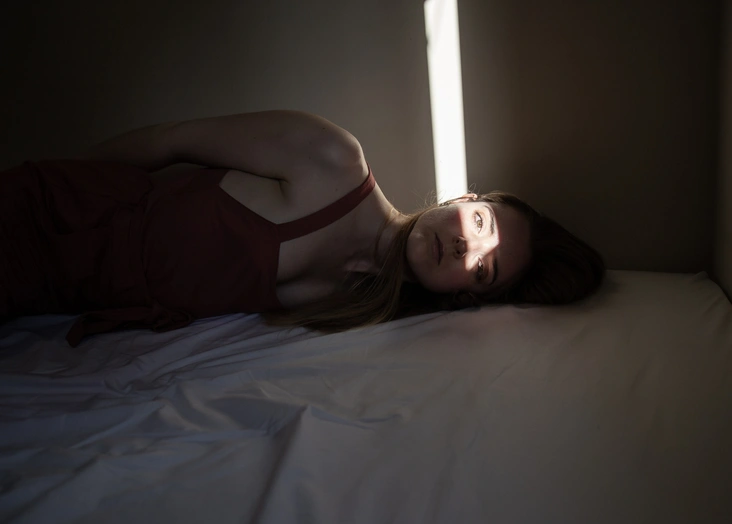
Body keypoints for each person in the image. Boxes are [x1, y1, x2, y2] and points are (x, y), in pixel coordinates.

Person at [0, 110, 605, 346]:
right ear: (463, 199)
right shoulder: (334, 159)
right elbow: (167, 140)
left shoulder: (358, 309)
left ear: (470, 296)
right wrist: (60, 189)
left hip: (60, 295)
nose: (465, 244)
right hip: (50, 219)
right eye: (479, 221)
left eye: (485, 267)